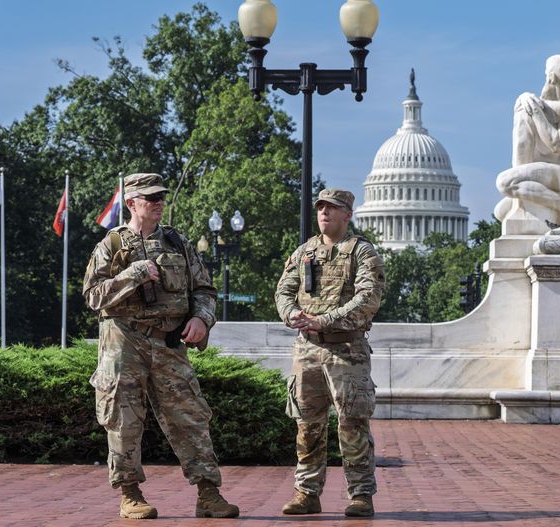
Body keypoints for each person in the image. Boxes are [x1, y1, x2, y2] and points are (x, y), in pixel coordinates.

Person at [83, 172, 239, 520]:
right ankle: (130, 494)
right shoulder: (110, 246)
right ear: (131, 203)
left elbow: (204, 290)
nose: (158, 203)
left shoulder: (177, 244)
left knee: (191, 417)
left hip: (168, 344)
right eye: (149, 198)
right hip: (124, 342)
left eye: (160, 197)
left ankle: (209, 493)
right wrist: (134, 273)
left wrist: (202, 319)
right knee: (123, 420)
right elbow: (93, 296)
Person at [275, 188, 385, 517]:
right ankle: (307, 492)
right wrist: (291, 313)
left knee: (352, 422)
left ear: (347, 214)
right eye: (321, 207)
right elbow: (283, 289)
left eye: (332, 208)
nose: (324, 213)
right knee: (307, 424)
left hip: (346, 349)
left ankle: (361, 493)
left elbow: (368, 299)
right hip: (307, 348)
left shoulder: (362, 253)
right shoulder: (304, 251)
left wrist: (324, 319)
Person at [495, 54, 560, 227]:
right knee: (500, 211)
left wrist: (534, 110)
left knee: (504, 182)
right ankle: (558, 202)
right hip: (559, 174)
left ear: (551, 76)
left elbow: (556, 143)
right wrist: (524, 98)